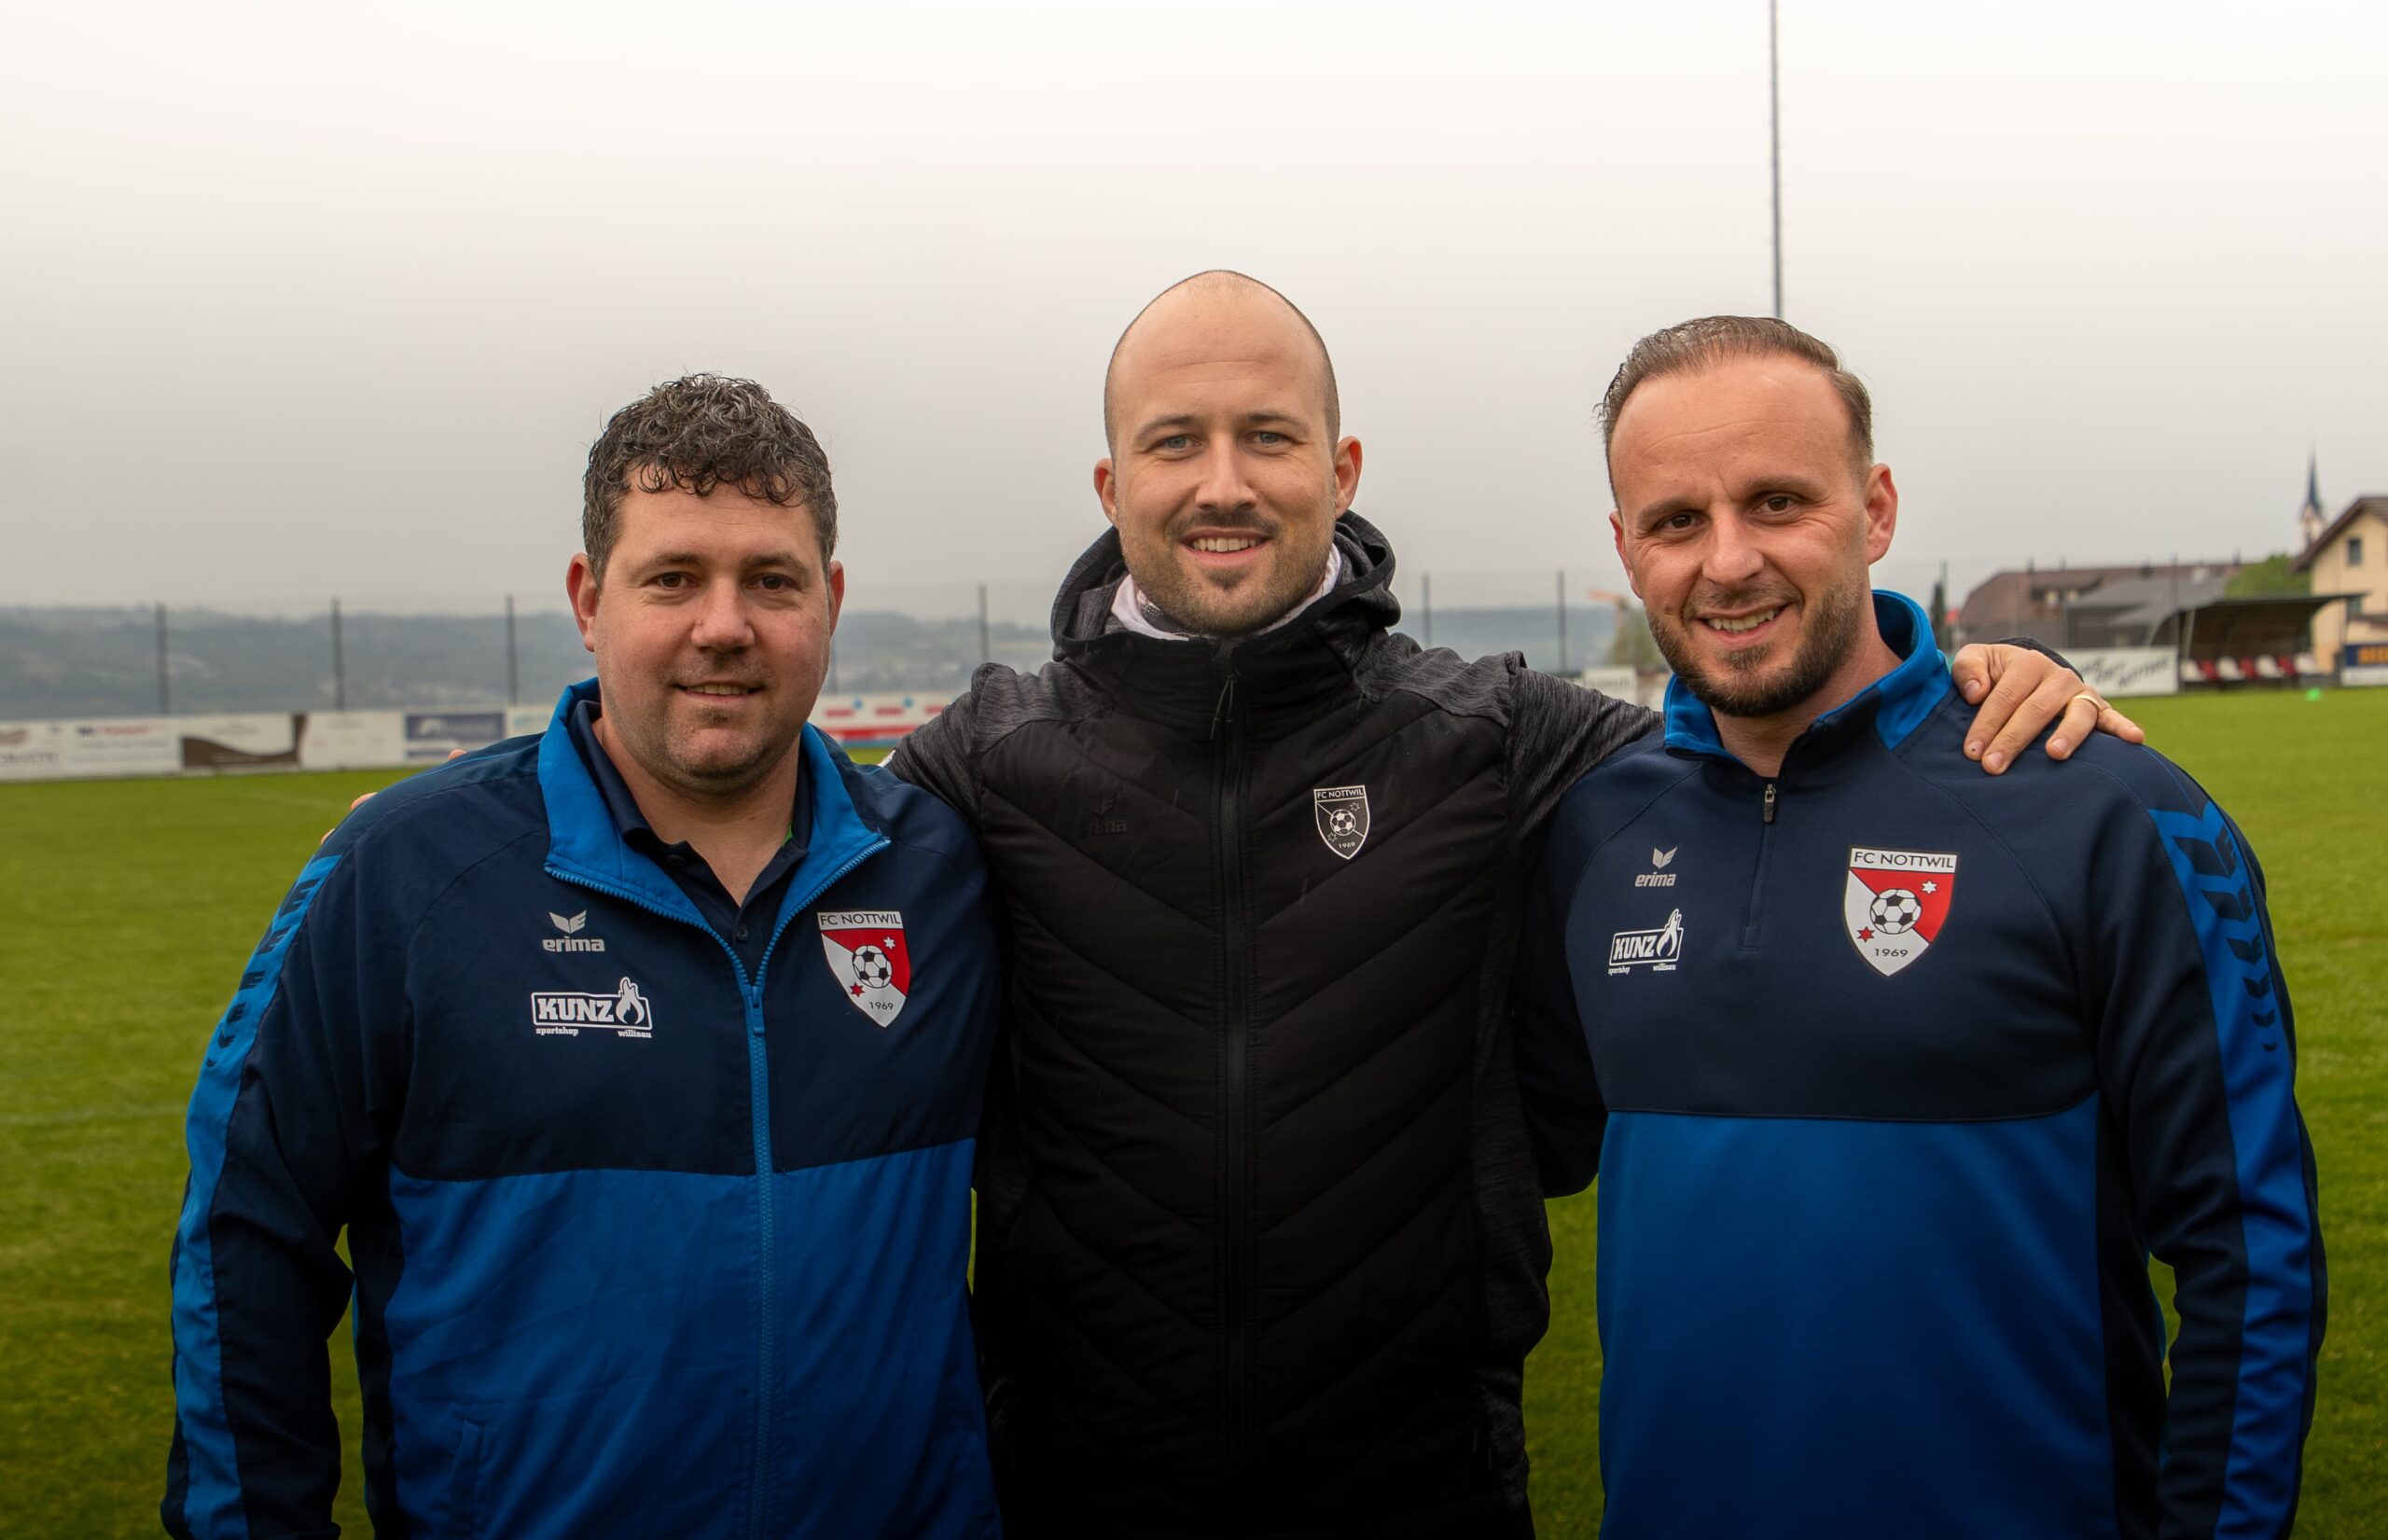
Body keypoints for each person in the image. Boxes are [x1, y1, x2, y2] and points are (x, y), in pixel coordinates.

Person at [886, 272, 2137, 1537]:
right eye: (1174, 442)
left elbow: (1786, 734)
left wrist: (1982, 683)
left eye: (1268, 435)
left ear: (1342, 469)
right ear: (1111, 486)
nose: (1224, 483)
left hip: (1426, 1491)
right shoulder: (983, 762)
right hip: (1073, 1493)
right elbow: (791, 829)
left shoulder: (1496, 737)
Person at [1513, 316, 2326, 1538]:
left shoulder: (2110, 813)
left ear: (1876, 508)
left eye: (1778, 501)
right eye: (1676, 520)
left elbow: (2252, 1252)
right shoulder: (1593, 832)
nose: (1728, 560)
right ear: (1626, 549)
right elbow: (1508, 1153)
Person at [163, 376, 1003, 1539]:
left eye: (772, 580)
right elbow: (247, 1236)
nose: (724, 625)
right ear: (588, 600)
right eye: (673, 578)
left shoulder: (943, 873)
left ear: (832, 599)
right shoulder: (406, 872)